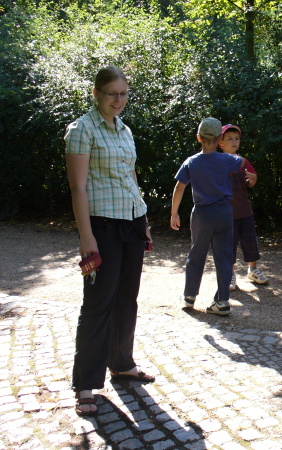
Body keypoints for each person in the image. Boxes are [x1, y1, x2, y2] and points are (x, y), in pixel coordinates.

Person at [65, 66, 155, 417]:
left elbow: (130, 176)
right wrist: (86, 236)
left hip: (132, 221)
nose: (119, 99)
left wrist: (144, 220)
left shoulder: (124, 130)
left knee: (126, 297)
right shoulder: (81, 130)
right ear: (96, 93)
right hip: (102, 225)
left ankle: (122, 363)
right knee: (98, 302)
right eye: (112, 93)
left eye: (123, 93)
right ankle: (86, 384)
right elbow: (78, 187)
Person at [170, 117, 244, 316]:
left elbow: (179, 188)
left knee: (196, 253)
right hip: (224, 213)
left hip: (202, 213)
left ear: (198, 138)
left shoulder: (191, 162)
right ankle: (222, 301)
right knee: (224, 256)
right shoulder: (227, 160)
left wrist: (174, 213)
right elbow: (241, 162)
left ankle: (189, 295)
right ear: (220, 139)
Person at [219, 124, 269, 291]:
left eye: (237, 138)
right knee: (229, 245)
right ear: (220, 143)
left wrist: (253, 179)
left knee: (250, 242)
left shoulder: (243, 161)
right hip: (226, 213)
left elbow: (251, 182)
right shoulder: (218, 162)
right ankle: (230, 274)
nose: (234, 142)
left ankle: (252, 270)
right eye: (229, 139)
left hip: (245, 210)